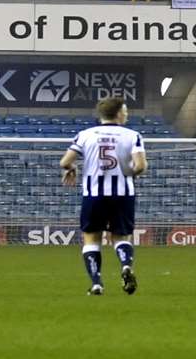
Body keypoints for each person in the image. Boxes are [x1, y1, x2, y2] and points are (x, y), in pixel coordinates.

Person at [58, 97, 146, 296]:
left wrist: (71, 168)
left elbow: (65, 162)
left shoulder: (85, 135)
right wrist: (128, 173)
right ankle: (125, 265)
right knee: (120, 237)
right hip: (123, 194)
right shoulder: (133, 135)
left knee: (91, 239)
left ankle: (97, 284)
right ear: (118, 114)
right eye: (125, 111)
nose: (127, 114)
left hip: (94, 194)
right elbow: (140, 166)